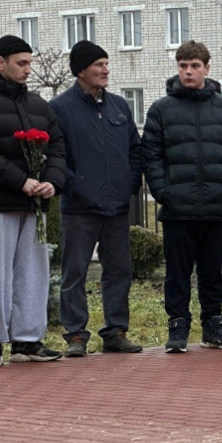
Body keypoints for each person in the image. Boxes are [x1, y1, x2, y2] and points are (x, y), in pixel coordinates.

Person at [143, 40, 222, 353]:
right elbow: (151, 155)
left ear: (207, 68)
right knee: (177, 274)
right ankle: (177, 327)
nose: (188, 72)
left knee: (213, 273)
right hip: (178, 208)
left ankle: (213, 326)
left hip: (219, 207)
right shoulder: (161, 109)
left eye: (194, 66)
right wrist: (163, 191)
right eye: (183, 66)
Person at [50, 40, 143, 358]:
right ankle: (76, 335)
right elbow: (57, 157)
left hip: (116, 207)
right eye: (98, 65)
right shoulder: (60, 108)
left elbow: (134, 148)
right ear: (80, 71)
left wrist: (130, 183)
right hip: (79, 207)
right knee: (74, 272)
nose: (105, 69)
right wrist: (77, 187)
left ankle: (115, 332)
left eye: (106, 63)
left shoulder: (119, 105)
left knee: (119, 270)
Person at [0, 35, 67, 367]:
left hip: (34, 205)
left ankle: (27, 340)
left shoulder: (38, 105)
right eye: (22, 63)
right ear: (0, 63)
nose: (29, 69)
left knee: (34, 272)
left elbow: (58, 147)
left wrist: (52, 182)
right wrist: (20, 181)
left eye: (30, 62)